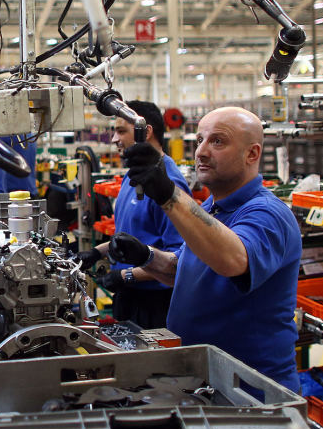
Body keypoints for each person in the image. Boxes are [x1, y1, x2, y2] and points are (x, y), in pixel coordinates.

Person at [114, 106, 302, 392]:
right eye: (199, 140)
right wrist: (147, 257)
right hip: (205, 377)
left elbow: (233, 260)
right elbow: (188, 272)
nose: (201, 152)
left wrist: (168, 194)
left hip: (250, 390)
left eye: (217, 141)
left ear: (252, 154)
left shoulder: (267, 213)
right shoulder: (211, 207)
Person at [75, 101, 186, 330]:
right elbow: (131, 236)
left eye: (121, 131)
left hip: (155, 303)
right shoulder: (132, 175)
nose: (114, 139)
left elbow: (179, 261)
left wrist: (126, 275)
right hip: (128, 296)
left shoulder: (170, 185)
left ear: (145, 132)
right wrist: (97, 252)